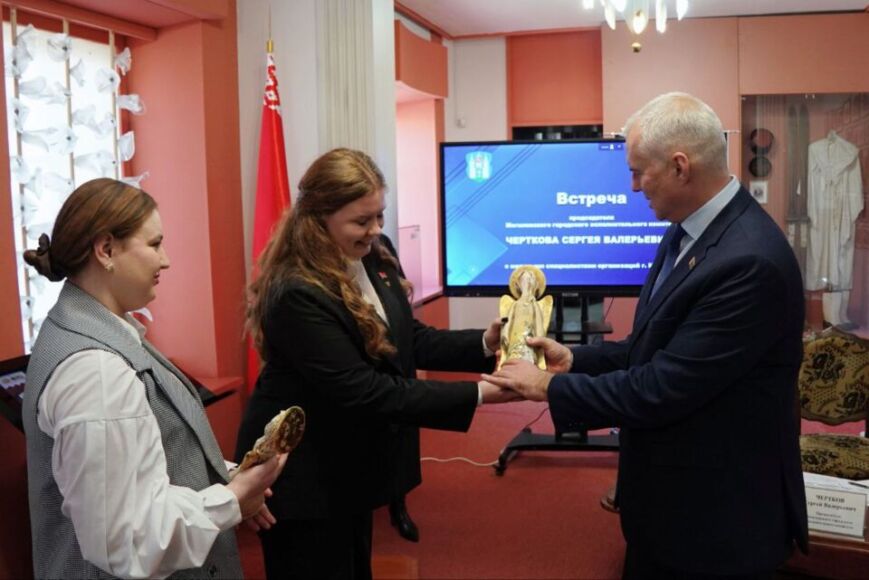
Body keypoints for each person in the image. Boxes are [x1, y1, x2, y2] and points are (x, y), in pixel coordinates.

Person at [484, 93, 809, 579]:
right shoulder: (689, 229)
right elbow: (653, 346)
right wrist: (574, 360)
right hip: (673, 501)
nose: (633, 186)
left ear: (680, 167)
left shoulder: (748, 262)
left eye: (639, 172)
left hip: (717, 523)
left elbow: (662, 387)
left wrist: (547, 385)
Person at [235, 148, 512, 580]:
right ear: (320, 218)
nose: (376, 230)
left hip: (350, 464)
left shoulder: (371, 255)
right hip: (305, 476)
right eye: (362, 220)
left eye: (379, 215)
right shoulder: (297, 291)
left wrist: (484, 343)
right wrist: (478, 394)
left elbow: (406, 338)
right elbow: (365, 390)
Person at [22, 178, 286, 579]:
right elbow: (127, 540)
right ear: (106, 250)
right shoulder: (96, 371)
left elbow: (150, 458)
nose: (166, 261)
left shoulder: (97, 330)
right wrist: (231, 501)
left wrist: (231, 479)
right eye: (154, 244)